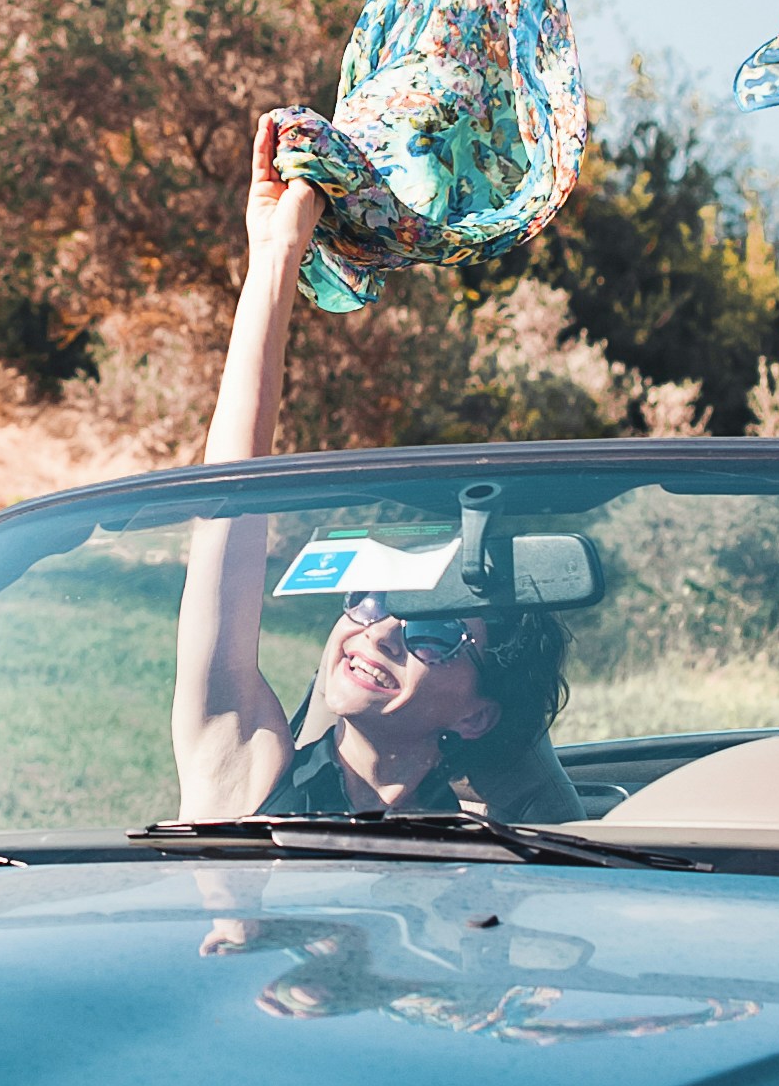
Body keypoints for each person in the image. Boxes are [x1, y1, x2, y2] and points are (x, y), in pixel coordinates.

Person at [170, 115, 577, 824]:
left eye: (433, 633)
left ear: (478, 717)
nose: (379, 630)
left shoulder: (504, 868)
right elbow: (229, 500)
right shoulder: (242, 778)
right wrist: (275, 253)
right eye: (371, 598)